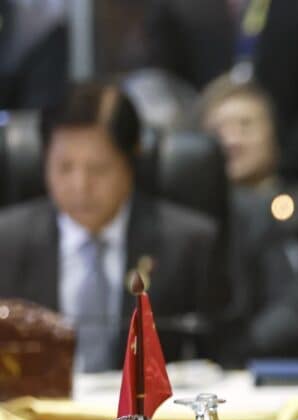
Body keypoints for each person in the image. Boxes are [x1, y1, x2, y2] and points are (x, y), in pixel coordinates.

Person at [0, 82, 223, 369]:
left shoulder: (188, 242)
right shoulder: (6, 242)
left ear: (132, 160)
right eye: (64, 168)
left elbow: (222, 360)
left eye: (98, 169)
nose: (80, 186)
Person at [147, 0, 298, 192]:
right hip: (204, 179)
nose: (234, 137)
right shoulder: (177, 9)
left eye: (243, 127)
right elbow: (162, 85)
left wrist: (281, 163)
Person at [200, 76, 298, 363]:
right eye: (219, 129)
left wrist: (239, 350)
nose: (232, 140)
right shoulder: (188, 216)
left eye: (245, 125)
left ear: (273, 133)